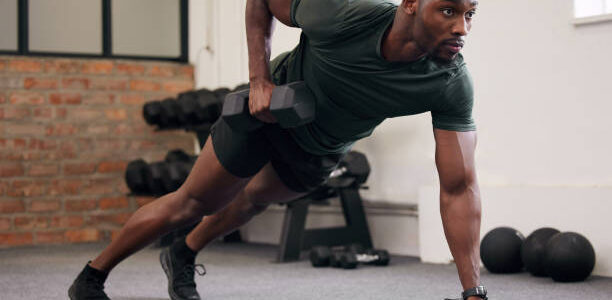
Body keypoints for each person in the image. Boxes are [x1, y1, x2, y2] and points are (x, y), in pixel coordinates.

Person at [69, 0, 486, 299]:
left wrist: (473, 292)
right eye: (448, 11)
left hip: (321, 148)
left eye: (470, 14)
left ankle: (183, 253)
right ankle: (92, 277)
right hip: (268, 117)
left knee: (251, 201)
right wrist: (258, 81)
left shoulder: (449, 82)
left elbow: (457, 187)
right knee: (194, 202)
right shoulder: (343, 14)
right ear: (411, 4)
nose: (462, 28)